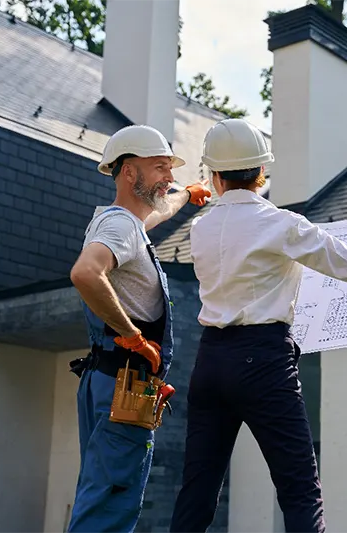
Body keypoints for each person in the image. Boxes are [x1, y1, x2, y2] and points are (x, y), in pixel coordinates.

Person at [168, 118, 347, 534]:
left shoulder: (200, 229)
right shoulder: (282, 224)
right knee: (299, 489)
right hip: (263, 361)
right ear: (262, 172)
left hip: (210, 363)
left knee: (197, 492)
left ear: (213, 175)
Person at [66, 124, 211, 533]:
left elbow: (155, 214)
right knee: (110, 503)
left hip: (106, 382)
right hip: (122, 386)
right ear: (129, 173)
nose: (169, 177)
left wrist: (187, 195)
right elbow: (86, 273)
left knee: (101, 493)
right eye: (161, 168)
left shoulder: (123, 223)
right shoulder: (121, 227)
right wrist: (131, 334)